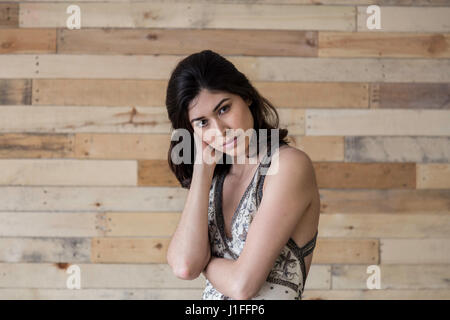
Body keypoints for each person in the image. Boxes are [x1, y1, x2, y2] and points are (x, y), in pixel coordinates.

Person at [165, 50, 320, 300]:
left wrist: (205, 261)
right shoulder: (215, 178)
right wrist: (203, 172)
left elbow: (242, 285)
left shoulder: (288, 166)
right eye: (202, 122)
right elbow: (184, 266)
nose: (220, 130)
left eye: (224, 109)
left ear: (246, 96)